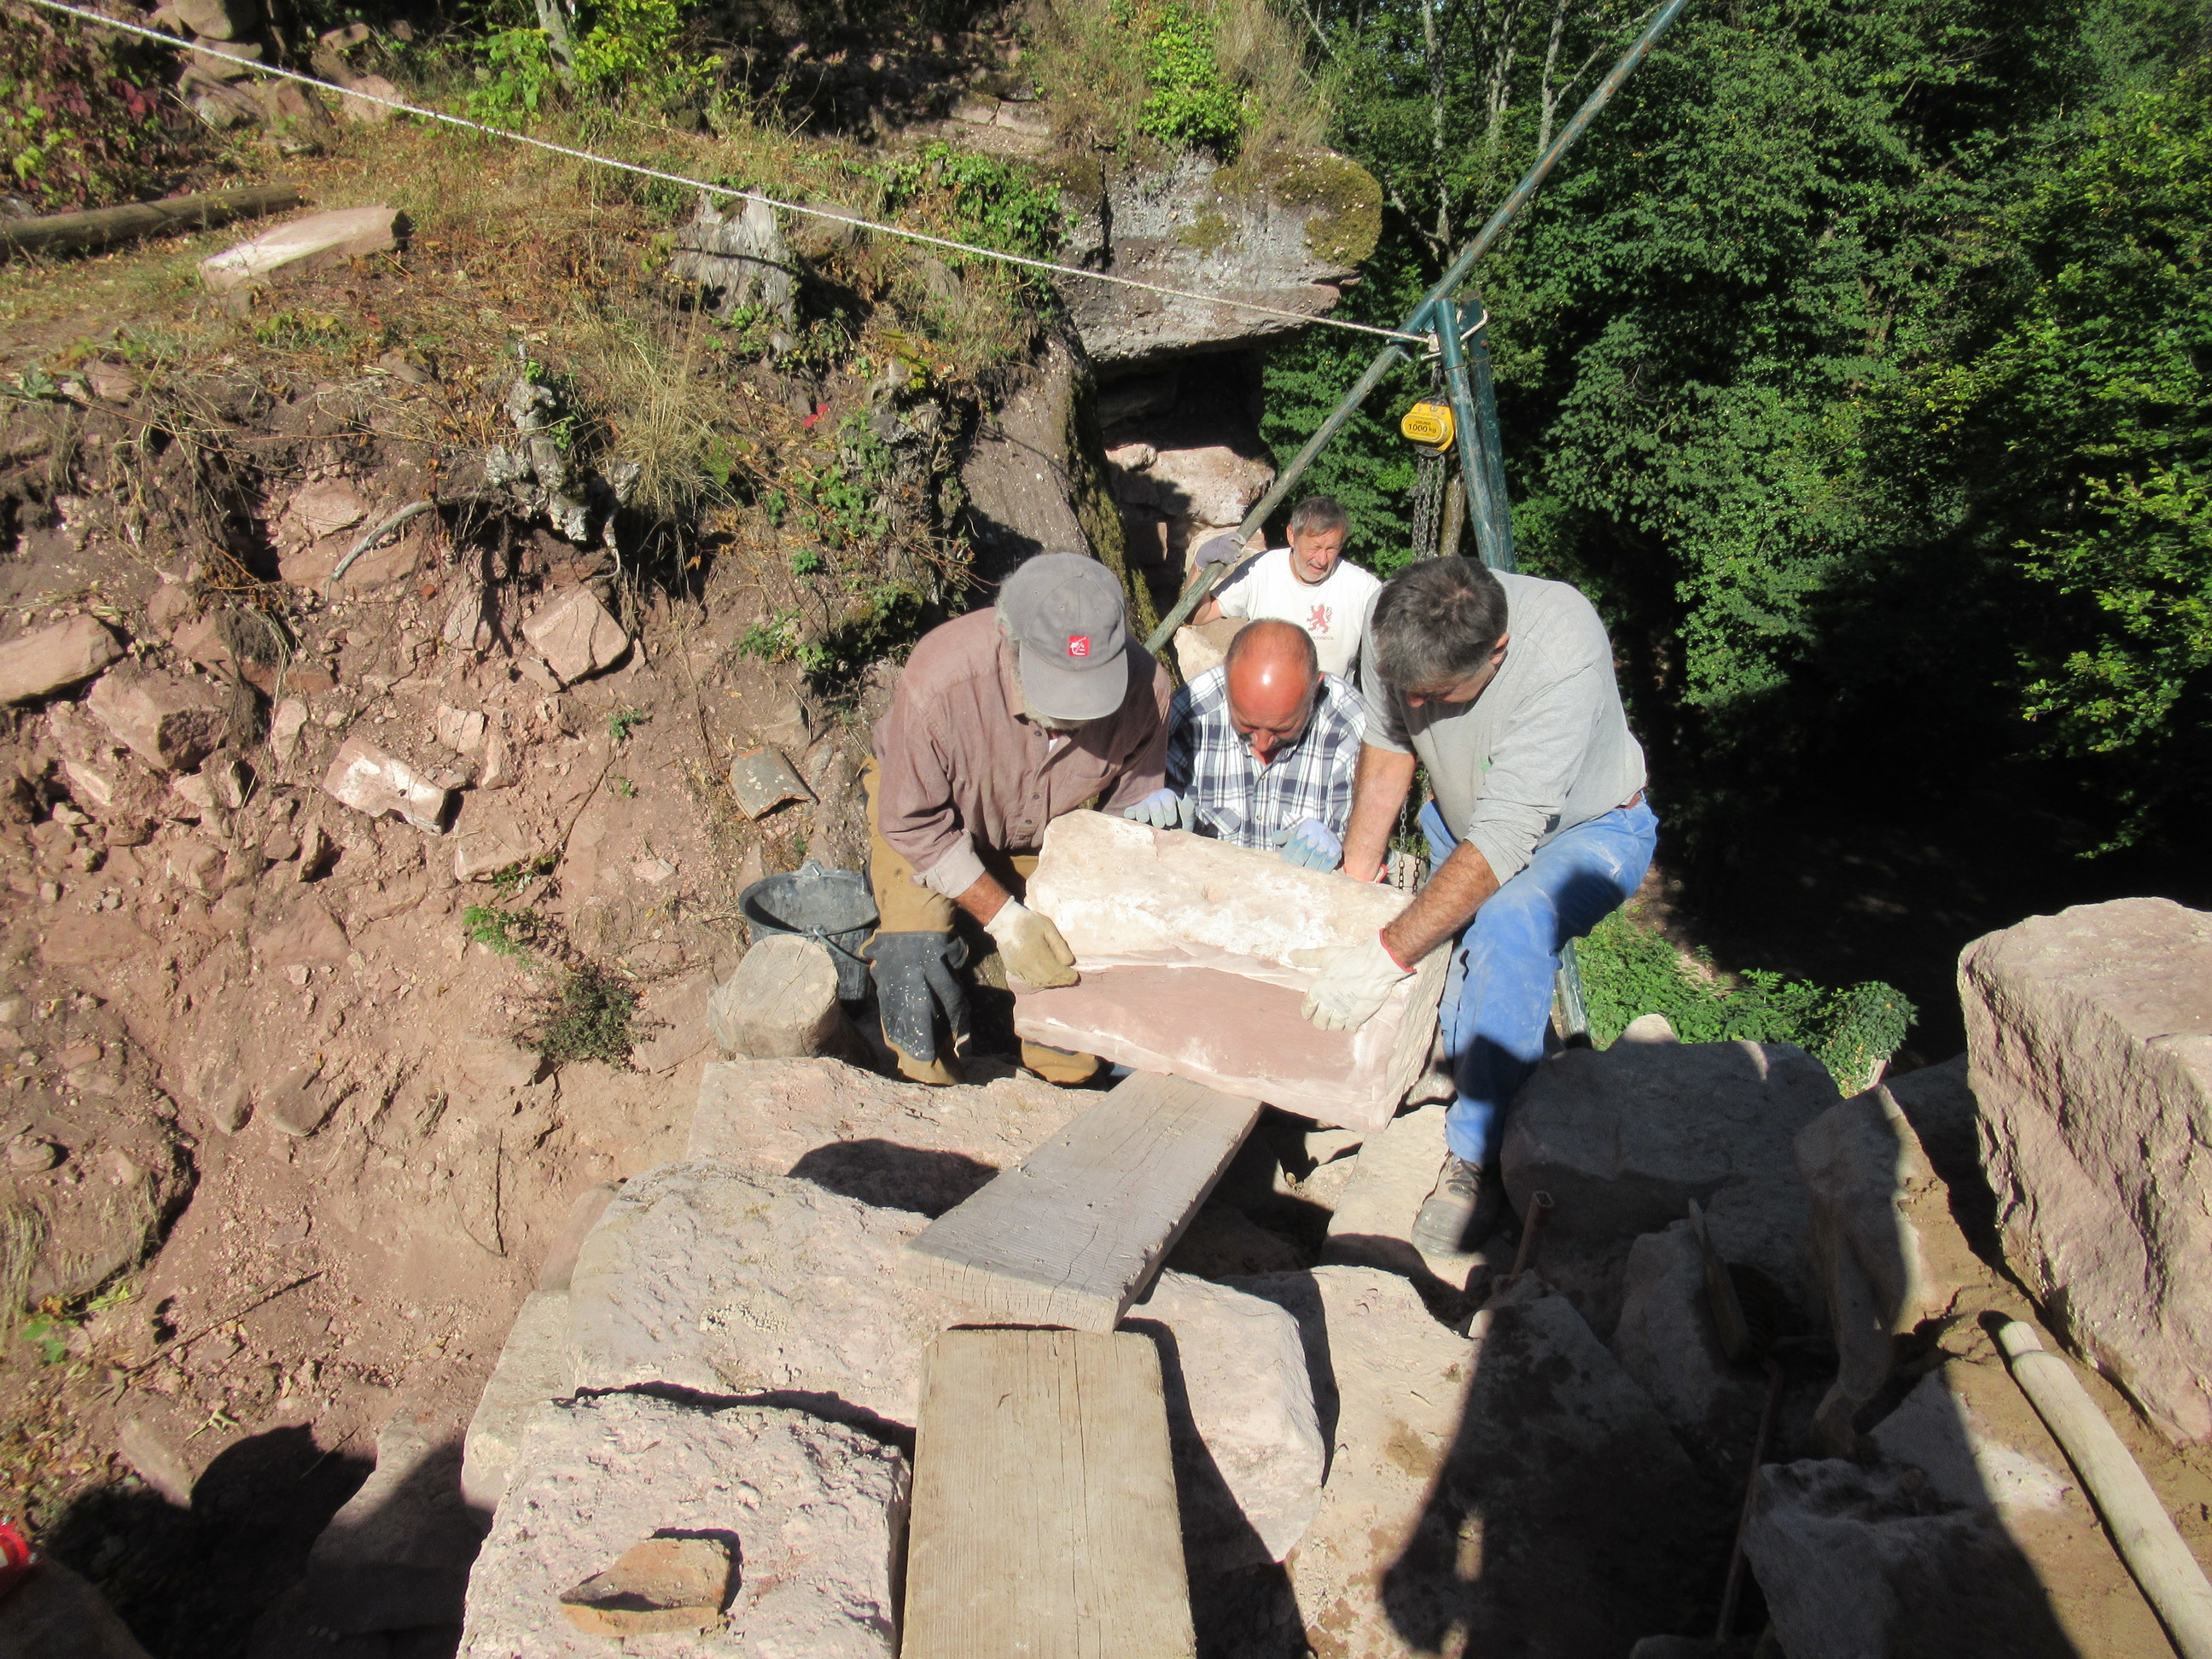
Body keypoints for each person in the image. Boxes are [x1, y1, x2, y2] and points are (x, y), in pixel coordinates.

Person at [1293, 557, 1656, 1254]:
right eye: (1409, 690)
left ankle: (1476, 1158)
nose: (1418, 704)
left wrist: (1384, 954)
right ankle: (1491, 1066)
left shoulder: (1562, 652)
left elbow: (1504, 840)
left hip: (1587, 831)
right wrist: (1356, 882)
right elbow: (1388, 744)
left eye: (1435, 695)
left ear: (1497, 652)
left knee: (1509, 926)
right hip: (1467, 826)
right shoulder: (1395, 623)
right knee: (1459, 991)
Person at [864, 552, 1173, 1086]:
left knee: (1073, 964)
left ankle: (1064, 1097)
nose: (1074, 714)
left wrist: (1090, 905)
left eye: (1089, 690)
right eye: (1057, 685)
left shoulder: (1147, 693)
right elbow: (911, 821)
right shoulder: (941, 679)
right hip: (927, 823)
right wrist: (1005, 919)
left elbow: (1121, 826)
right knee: (913, 964)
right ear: (1009, 640)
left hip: (1043, 832)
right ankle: (928, 1096)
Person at [1125, 619, 1365, 869]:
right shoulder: (1193, 711)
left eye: (1281, 729)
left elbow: (1364, 859)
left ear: (1315, 689)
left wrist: (1343, 850)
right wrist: (1150, 809)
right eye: (1247, 725)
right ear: (1227, 678)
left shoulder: (1349, 727)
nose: (1262, 744)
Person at [1189, 495, 1381, 682]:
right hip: (1264, 695)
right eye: (1315, 548)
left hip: (1329, 700)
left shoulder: (1362, 588)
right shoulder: (1261, 570)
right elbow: (1198, 616)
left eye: (1332, 549)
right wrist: (1200, 566)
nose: (1322, 560)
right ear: (1292, 535)